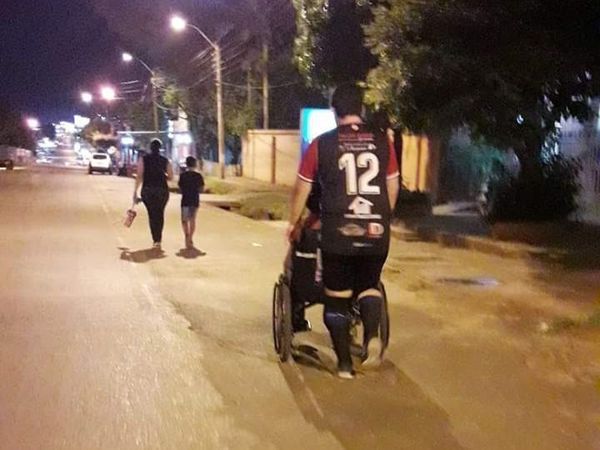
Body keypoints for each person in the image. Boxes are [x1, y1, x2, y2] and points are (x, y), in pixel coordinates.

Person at [287, 84, 400, 379]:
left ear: (334, 111)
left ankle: (345, 366)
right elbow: (392, 185)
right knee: (369, 285)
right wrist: (382, 215)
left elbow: (303, 188)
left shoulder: (322, 144)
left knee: (336, 298)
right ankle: (372, 337)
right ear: (361, 108)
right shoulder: (382, 141)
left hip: (338, 232)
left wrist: (293, 221)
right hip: (377, 231)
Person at [133, 139, 173, 249]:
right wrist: (162, 175)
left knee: (152, 215)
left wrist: (135, 192)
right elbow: (171, 176)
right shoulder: (165, 160)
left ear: (150, 147)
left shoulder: (144, 159)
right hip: (162, 190)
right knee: (160, 214)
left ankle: (155, 239)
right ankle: (158, 239)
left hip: (148, 190)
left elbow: (139, 176)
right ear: (160, 148)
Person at [178, 156, 205, 250]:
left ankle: (186, 234)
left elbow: (180, 188)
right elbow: (201, 189)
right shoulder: (198, 176)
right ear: (195, 164)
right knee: (192, 219)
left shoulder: (182, 175)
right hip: (194, 200)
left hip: (185, 200)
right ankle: (190, 237)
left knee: (184, 220)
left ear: (186, 164)